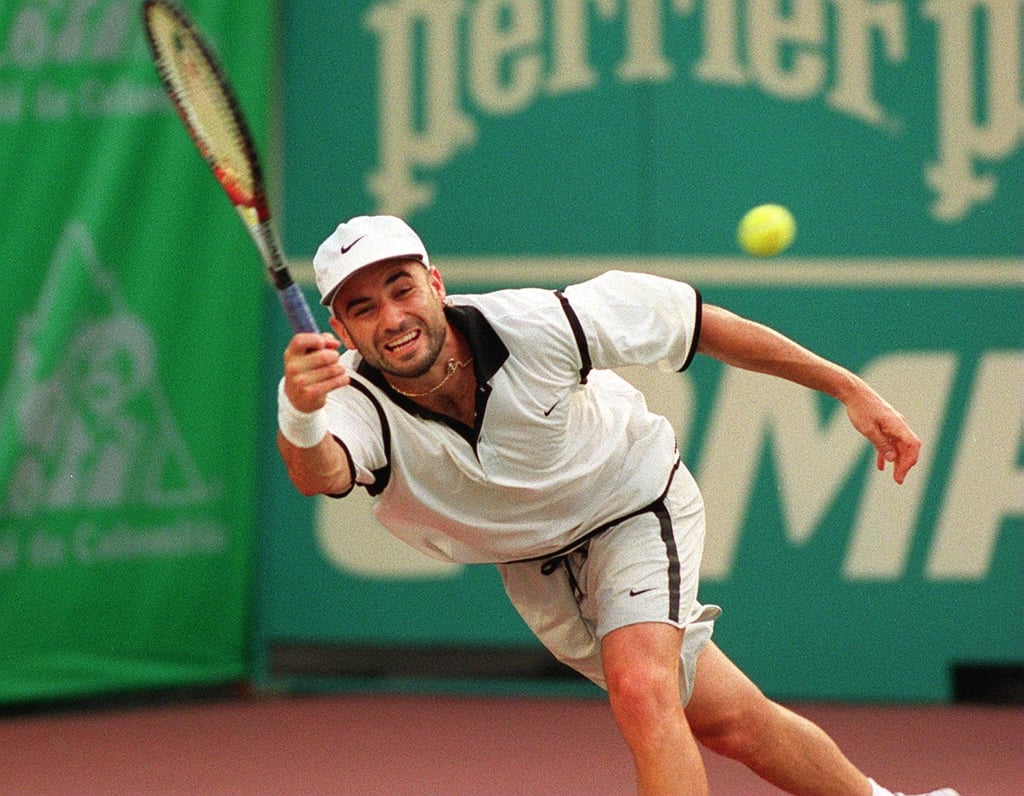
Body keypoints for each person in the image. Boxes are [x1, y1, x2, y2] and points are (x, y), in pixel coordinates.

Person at [277, 215, 958, 796]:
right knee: (730, 722)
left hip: (630, 501)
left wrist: (848, 390)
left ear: (436, 284)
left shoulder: (539, 323)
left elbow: (703, 327)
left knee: (641, 690)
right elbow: (321, 472)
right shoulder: (340, 400)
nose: (393, 319)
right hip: (532, 563)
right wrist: (302, 411)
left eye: (402, 290)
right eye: (364, 308)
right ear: (340, 327)